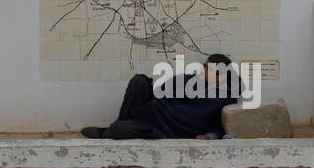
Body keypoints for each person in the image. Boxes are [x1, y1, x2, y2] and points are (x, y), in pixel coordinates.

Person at [82, 53, 239, 140]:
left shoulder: (226, 98)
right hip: (153, 108)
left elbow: (221, 124)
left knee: (121, 129)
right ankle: (120, 123)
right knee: (139, 81)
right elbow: (161, 90)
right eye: (204, 66)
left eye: (208, 69)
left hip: (164, 128)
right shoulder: (191, 79)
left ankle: (108, 132)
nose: (202, 71)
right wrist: (147, 86)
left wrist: (209, 137)